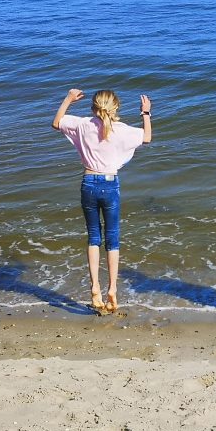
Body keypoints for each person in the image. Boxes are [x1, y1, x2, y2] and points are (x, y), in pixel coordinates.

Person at [52, 88, 152, 314]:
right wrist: (145, 113)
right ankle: (112, 290)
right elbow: (146, 138)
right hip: (110, 185)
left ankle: (95, 288)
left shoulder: (83, 124)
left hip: (88, 183)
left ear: (93, 108)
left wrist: (68, 99)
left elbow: (57, 123)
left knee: (94, 238)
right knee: (113, 239)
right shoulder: (121, 130)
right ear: (115, 108)